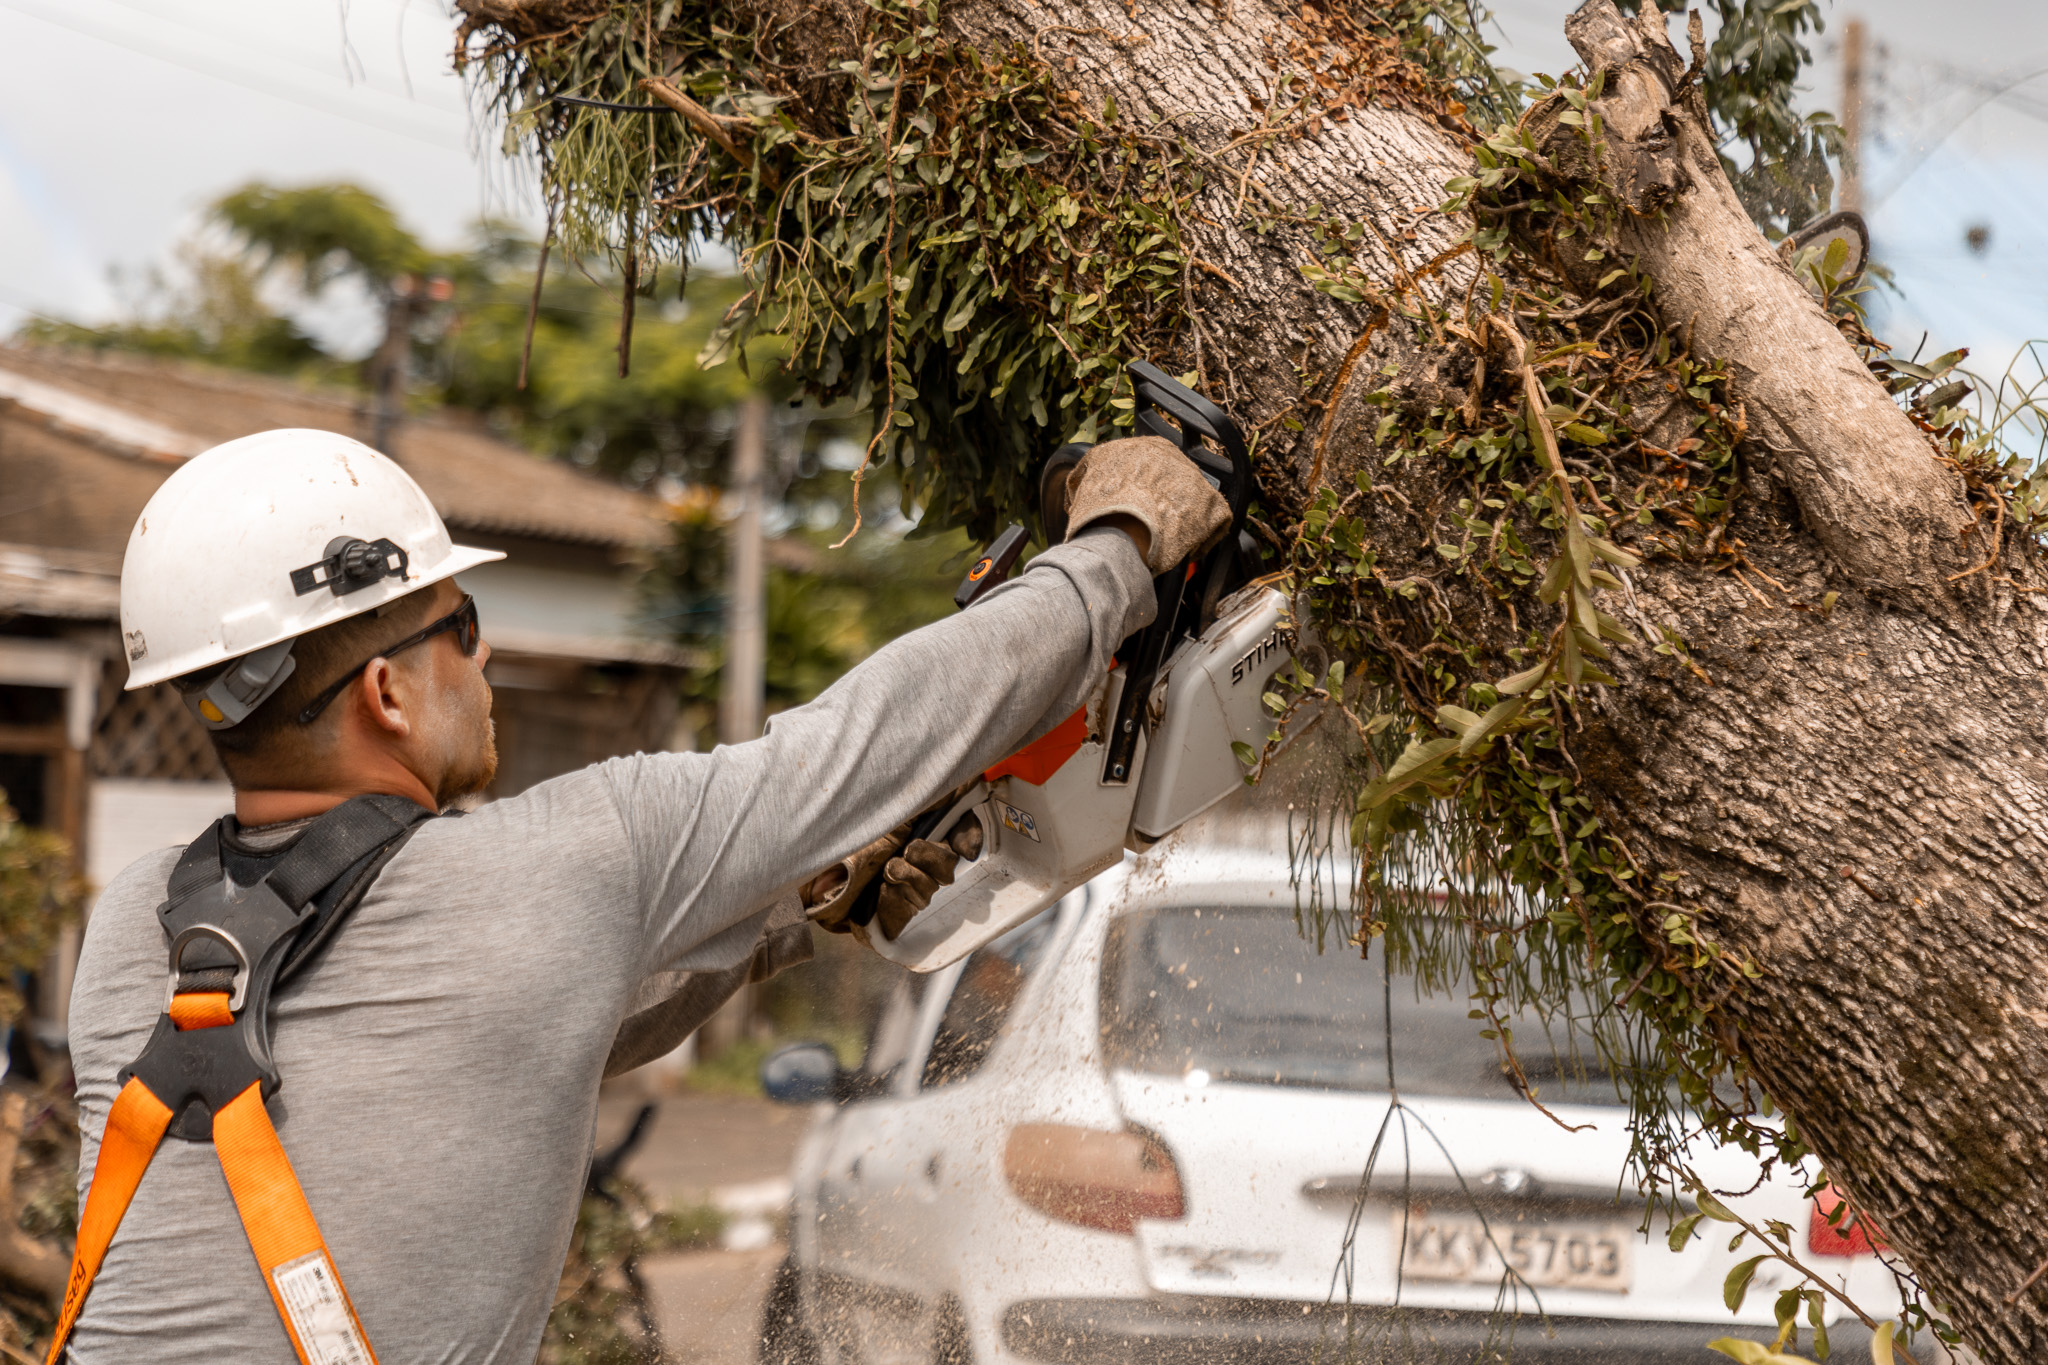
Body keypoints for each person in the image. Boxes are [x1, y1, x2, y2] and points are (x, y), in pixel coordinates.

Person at [59, 424, 1227, 1362]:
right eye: (457, 628)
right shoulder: (568, 861)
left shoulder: (132, 935)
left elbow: (499, 1048)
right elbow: (878, 739)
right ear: (389, 694)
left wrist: (775, 914)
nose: (485, 659)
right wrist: (1122, 543)